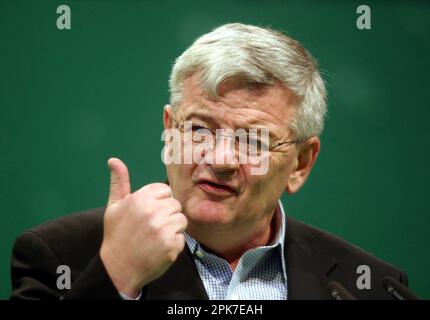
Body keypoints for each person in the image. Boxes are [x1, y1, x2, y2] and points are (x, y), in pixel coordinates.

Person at [10, 23, 408, 300]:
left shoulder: (370, 287)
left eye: (252, 140)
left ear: (301, 163)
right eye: (199, 129)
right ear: (170, 130)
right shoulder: (62, 258)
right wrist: (117, 278)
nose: (219, 159)